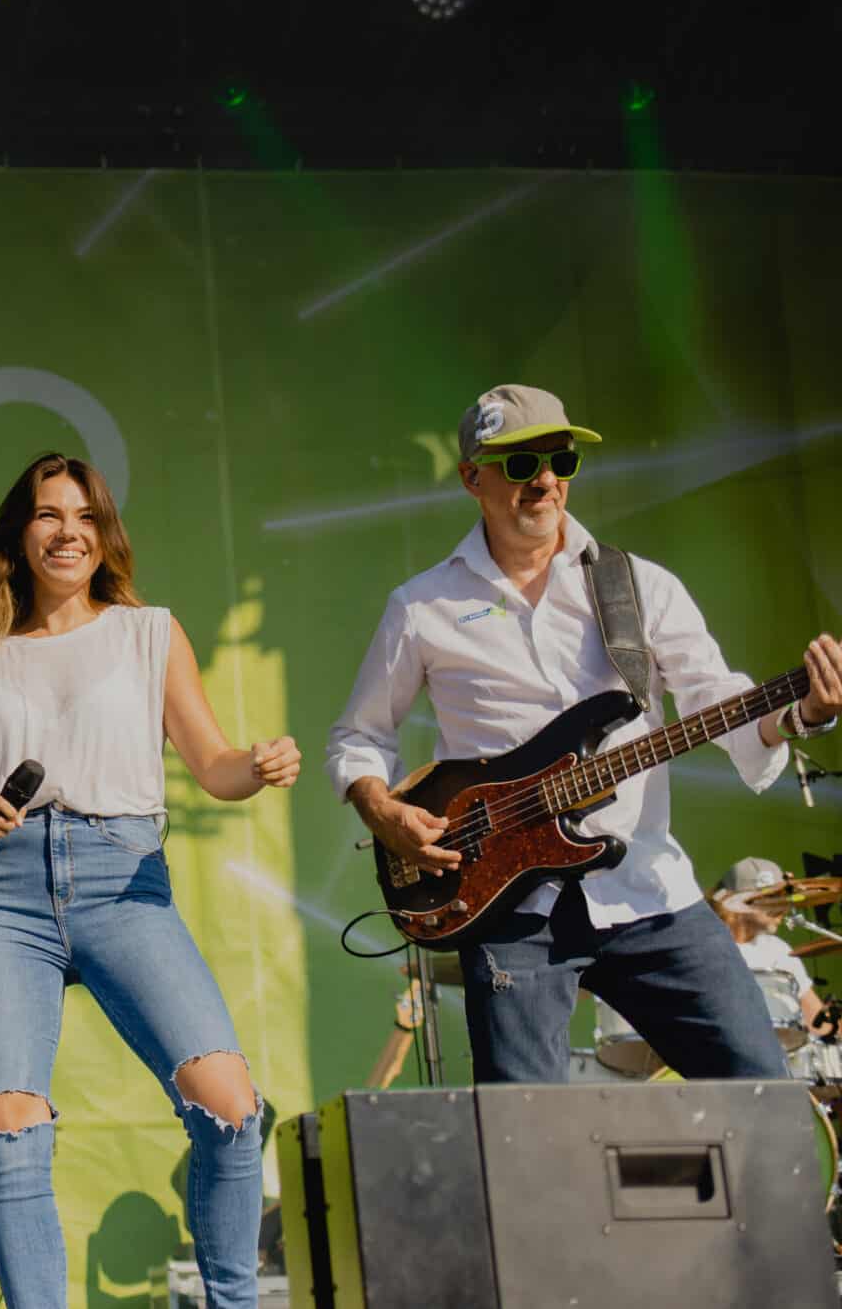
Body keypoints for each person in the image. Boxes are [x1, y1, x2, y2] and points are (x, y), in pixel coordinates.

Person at [326, 383, 842, 1085]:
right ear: (472, 478)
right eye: (519, 465)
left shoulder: (638, 587)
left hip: (650, 894)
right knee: (524, 1134)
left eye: (560, 461)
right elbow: (359, 737)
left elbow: (717, 697)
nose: (543, 482)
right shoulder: (422, 606)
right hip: (508, 907)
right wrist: (381, 809)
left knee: (762, 1094)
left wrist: (800, 714)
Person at [0, 452, 300, 1309]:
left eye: (86, 517)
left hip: (122, 878)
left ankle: (233, 1302)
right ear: (18, 536)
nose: (68, 533)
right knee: (10, 1127)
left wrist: (258, 762)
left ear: (106, 537)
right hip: (4, 896)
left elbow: (212, 765)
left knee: (231, 1107)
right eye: (50, 516)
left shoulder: (148, 634)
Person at [710, 857, 828, 1036]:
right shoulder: (706, 948)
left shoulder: (778, 949)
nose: (783, 906)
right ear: (738, 900)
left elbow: (818, 1022)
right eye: (772, 897)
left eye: (783, 897)